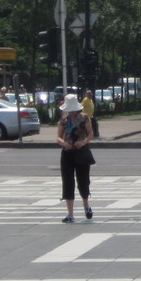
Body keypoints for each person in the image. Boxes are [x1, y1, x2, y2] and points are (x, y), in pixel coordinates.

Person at [57, 93, 94, 223]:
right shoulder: (64, 120)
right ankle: (70, 214)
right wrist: (64, 143)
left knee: (83, 180)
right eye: (70, 110)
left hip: (81, 152)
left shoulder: (85, 118)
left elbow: (90, 134)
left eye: (73, 109)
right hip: (67, 153)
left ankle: (86, 205)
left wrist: (83, 142)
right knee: (67, 181)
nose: (72, 112)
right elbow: (59, 137)